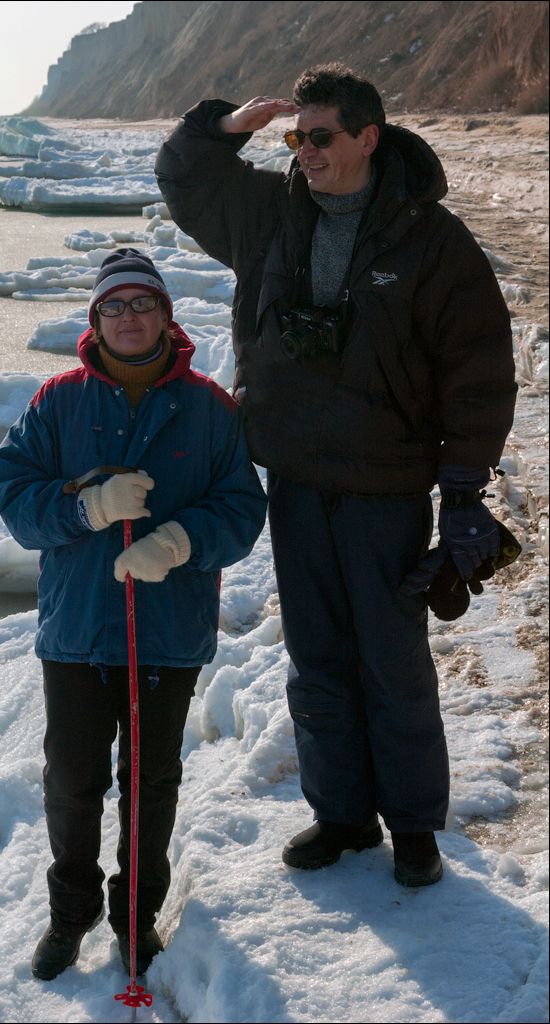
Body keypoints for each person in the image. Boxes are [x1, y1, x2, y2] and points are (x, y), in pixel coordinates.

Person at [155, 64, 516, 887]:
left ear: (368, 138)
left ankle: (417, 827)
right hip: (295, 476)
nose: (305, 153)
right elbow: (183, 179)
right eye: (296, 137)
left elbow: (478, 368)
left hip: (386, 483)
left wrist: (462, 489)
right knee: (317, 656)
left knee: (391, 660)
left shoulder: (430, 239)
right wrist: (224, 127)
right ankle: (343, 816)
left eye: (321, 137)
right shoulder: (269, 215)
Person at [0, 248, 267, 980]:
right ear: (95, 320)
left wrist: (179, 541)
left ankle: (134, 916)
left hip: (167, 635)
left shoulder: (211, 407)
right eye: (113, 307)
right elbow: (16, 500)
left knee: (151, 781)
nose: (129, 317)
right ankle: (69, 914)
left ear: (166, 315)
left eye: (142, 303)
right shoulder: (58, 400)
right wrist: (84, 506)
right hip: (77, 632)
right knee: (74, 781)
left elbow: (242, 509)